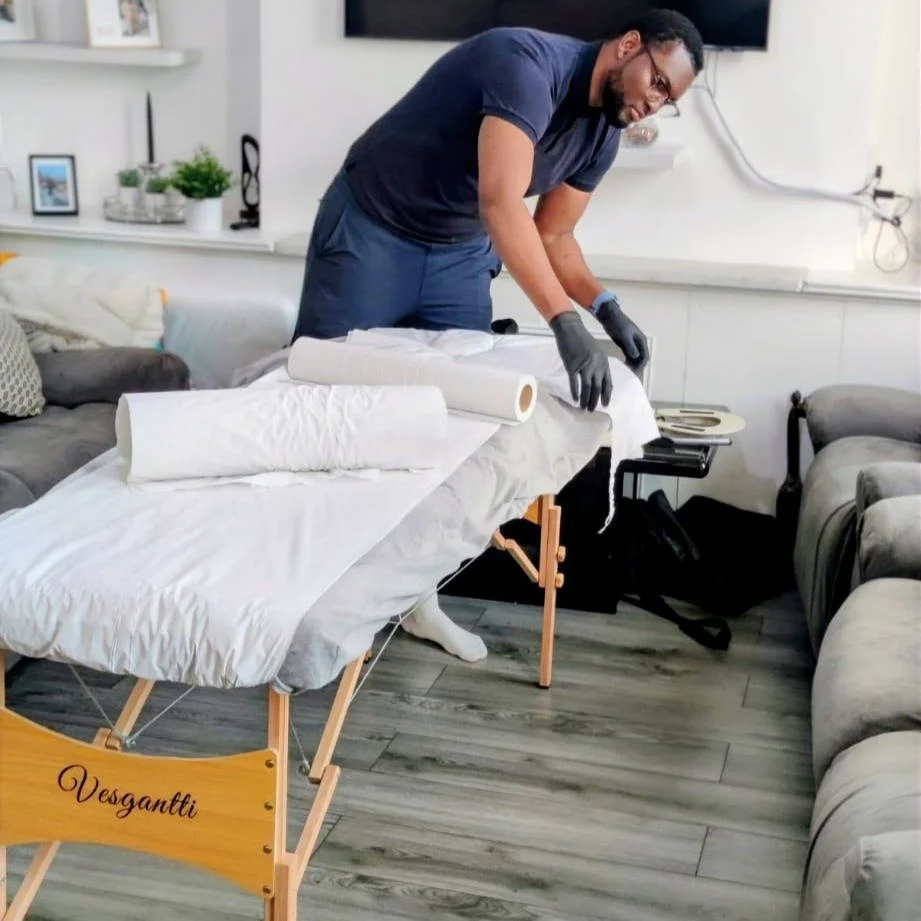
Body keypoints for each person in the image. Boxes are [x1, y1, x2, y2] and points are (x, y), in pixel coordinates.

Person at [292, 9, 704, 412]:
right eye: (658, 82)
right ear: (630, 46)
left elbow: (553, 235)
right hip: (374, 230)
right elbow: (500, 201)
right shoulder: (527, 66)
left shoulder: (602, 139)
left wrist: (605, 307)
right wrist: (565, 322)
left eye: (667, 98)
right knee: (322, 396)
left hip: (460, 255)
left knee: (456, 407)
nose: (654, 102)